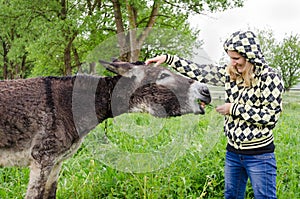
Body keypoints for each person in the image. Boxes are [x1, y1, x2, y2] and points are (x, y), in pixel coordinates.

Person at [145, 30, 284, 199]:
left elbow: (271, 117)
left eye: (236, 58)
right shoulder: (231, 74)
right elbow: (199, 71)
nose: (232, 63)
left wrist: (233, 109)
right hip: (233, 153)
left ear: (250, 56)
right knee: (231, 196)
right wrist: (169, 59)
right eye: (230, 58)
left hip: (259, 155)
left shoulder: (270, 78)